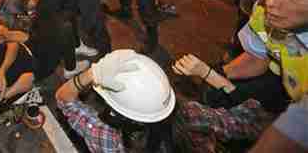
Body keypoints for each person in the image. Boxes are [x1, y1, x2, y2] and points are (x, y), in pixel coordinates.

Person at [56, 49, 273, 153]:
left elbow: (64, 98)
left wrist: (92, 73)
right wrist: (208, 74)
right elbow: (251, 121)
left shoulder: (107, 138)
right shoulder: (192, 114)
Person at [222, 0, 308, 152]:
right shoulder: (264, 13)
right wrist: (215, 75)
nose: (272, 3)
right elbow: (257, 57)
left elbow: (299, 125)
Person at [0, 11, 91, 123]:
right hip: (39, 63)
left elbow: (13, 45)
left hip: (27, 43)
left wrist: (2, 71)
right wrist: (6, 93)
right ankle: (70, 68)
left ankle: (74, 47)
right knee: (65, 28)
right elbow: (29, 78)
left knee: (65, 13)